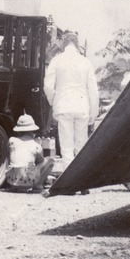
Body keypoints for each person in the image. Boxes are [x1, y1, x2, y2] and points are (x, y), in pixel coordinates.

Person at [43, 31, 99, 167]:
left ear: (63, 43)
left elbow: (48, 86)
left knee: (66, 147)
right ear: (77, 44)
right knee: (81, 144)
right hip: (82, 107)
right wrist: (93, 113)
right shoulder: (86, 62)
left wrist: (54, 103)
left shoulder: (56, 60)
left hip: (63, 106)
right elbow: (93, 90)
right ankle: (81, 178)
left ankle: (68, 180)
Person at [6, 114, 54, 192]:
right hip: (28, 181)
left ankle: (15, 185)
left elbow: (7, 155)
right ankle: (38, 186)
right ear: (32, 131)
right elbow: (40, 161)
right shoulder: (36, 145)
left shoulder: (12, 141)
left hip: (11, 180)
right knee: (50, 161)